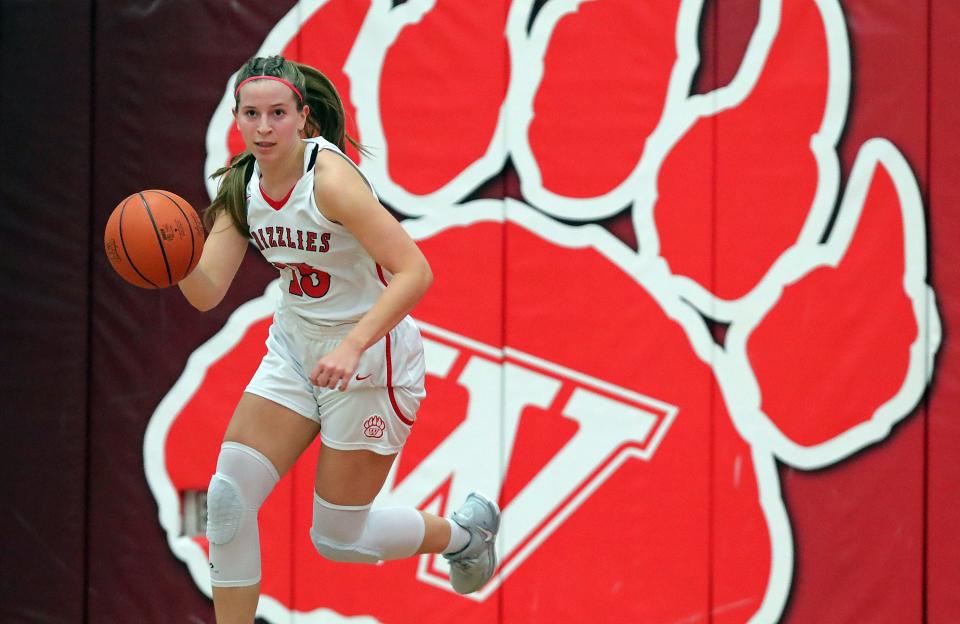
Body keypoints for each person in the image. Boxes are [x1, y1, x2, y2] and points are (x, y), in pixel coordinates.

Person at [178, 55, 499, 624]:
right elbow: (206, 292)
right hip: (297, 348)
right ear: (237, 120)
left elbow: (415, 272)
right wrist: (172, 262)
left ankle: (465, 537)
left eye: (277, 113)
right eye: (250, 114)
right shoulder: (240, 184)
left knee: (340, 539)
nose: (263, 126)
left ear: (304, 119)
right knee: (227, 500)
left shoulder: (331, 182)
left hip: (370, 358)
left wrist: (351, 345)